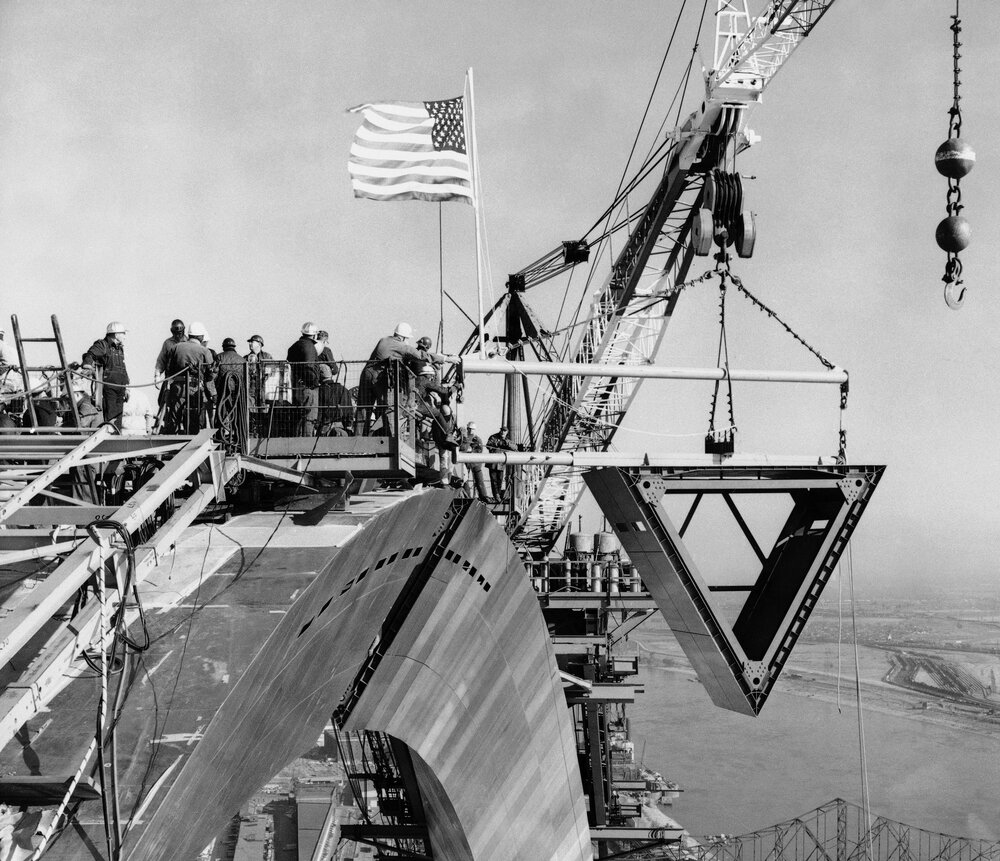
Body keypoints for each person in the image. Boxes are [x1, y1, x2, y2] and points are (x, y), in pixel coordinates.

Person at [355, 323, 455, 436]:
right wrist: (445, 359)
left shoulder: (383, 340)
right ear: (402, 337)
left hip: (366, 373)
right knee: (387, 408)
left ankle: (358, 441)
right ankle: (387, 437)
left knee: (363, 409)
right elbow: (420, 355)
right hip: (379, 377)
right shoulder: (400, 345)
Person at [163, 321, 215, 433]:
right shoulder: (204, 351)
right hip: (195, 388)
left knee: (174, 417)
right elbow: (210, 375)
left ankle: (172, 441)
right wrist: (212, 393)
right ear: (200, 336)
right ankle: (193, 442)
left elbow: (169, 369)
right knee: (194, 418)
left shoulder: (175, 348)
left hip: (177, 387)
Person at [81, 321, 130, 429]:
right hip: (110, 386)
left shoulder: (119, 348)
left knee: (118, 416)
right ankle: (111, 437)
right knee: (111, 415)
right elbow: (90, 354)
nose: (125, 336)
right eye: (123, 333)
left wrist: (127, 387)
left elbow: (123, 368)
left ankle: (116, 438)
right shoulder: (102, 344)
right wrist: (87, 365)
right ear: (116, 335)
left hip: (120, 386)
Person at [287, 322, 321, 436]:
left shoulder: (294, 346)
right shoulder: (309, 347)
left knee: (298, 419)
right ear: (314, 335)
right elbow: (309, 367)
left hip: (296, 387)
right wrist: (313, 383)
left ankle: (297, 447)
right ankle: (306, 447)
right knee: (309, 419)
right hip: (308, 389)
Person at [244, 334, 274, 434]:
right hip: (251, 390)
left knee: (264, 414)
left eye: (252, 342)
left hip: (264, 390)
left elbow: (273, 371)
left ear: (259, 344)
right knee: (251, 413)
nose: (250, 344)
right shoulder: (246, 358)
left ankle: (263, 434)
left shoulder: (267, 356)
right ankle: (252, 434)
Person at [459, 421, 491, 502]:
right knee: (464, 479)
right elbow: (461, 448)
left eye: (472, 429)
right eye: (469, 429)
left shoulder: (477, 439)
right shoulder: (463, 438)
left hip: (475, 462)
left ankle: (483, 496)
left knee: (479, 479)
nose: (470, 431)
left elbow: (479, 450)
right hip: (465, 462)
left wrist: (471, 450)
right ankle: (467, 496)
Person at [486, 425, 515, 500]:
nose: (503, 432)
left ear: (507, 432)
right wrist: (497, 444)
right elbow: (488, 445)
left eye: (504, 431)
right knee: (494, 480)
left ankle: (498, 494)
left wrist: (507, 444)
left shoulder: (507, 440)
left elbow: (515, 447)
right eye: (502, 430)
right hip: (493, 462)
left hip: (501, 463)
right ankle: (496, 495)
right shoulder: (493, 437)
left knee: (500, 480)